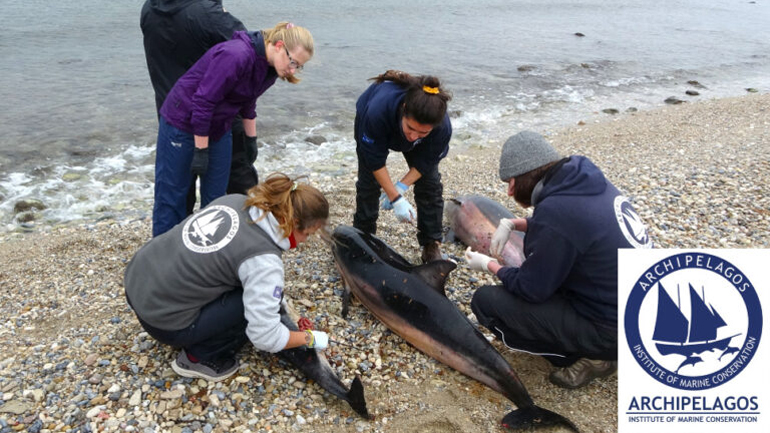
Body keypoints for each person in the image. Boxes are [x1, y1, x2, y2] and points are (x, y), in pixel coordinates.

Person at [463, 131, 652, 389]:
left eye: (511, 182)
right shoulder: (586, 181)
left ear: (528, 176)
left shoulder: (557, 211)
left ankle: (590, 357)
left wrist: (489, 265)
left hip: (616, 330)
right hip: (644, 312)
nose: (509, 192)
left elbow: (530, 289)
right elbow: (574, 227)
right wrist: (516, 223)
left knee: (486, 301)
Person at [124, 173, 331, 382]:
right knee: (247, 307)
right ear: (292, 222)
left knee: (253, 287)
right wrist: (310, 338)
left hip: (136, 284)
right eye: (308, 234)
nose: (306, 241)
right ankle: (198, 358)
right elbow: (265, 336)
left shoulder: (234, 201)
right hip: (163, 322)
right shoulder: (264, 261)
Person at [153, 22, 313, 237]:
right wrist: (201, 150)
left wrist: (250, 139)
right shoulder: (236, 55)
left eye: (298, 66)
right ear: (278, 45)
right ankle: (161, 259)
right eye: (292, 61)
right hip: (182, 123)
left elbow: (248, 100)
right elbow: (203, 101)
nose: (292, 70)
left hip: (220, 126)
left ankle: (208, 254)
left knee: (217, 199)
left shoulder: (271, 68)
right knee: (173, 197)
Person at [140, 0, 259, 211]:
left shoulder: (150, 8)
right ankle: (245, 236)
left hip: (172, 116)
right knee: (237, 184)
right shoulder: (208, 14)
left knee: (176, 193)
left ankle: (176, 240)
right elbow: (249, 52)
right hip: (217, 119)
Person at [353, 70, 452, 263]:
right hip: (375, 122)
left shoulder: (442, 128)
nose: (414, 136)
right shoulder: (377, 111)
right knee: (368, 184)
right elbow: (374, 160)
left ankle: (431, 244)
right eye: (411, 128)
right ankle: (363, 237)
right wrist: (395, 197)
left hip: (408, 129)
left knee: (430, 184)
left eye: (422, 133)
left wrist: (401, 186)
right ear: (404, 109)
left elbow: (425, 163)